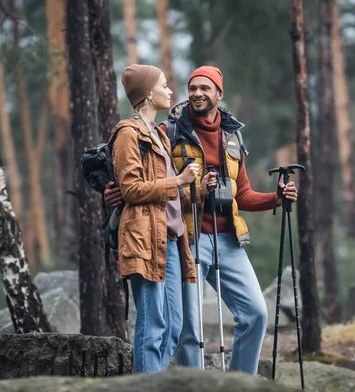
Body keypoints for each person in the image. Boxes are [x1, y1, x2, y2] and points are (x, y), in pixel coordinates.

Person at [105, 66, 298, 375]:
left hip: (229, 239)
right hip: (189, 237)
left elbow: (243, 194)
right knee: (188, 330)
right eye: (192, 87)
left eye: (204, 88)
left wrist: (276, 198)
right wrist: (112, 191)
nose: (196, 93)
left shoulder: (233, 136)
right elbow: (134, 174)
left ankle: (237, 389)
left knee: (256, 314)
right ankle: (193, 389)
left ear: (219, 94)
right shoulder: (168, 130)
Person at [110, 64, 204, 374]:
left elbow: (168, 196)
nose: (170, 91)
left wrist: (197, 189)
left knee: (174, 326)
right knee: (152, 326)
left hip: (173, 240)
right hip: (144, 238)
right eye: (164, 85)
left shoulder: (159, 136)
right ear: (149, 93)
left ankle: (156, 386)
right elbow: (132, 189)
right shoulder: (127, 133)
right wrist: (178, 181)